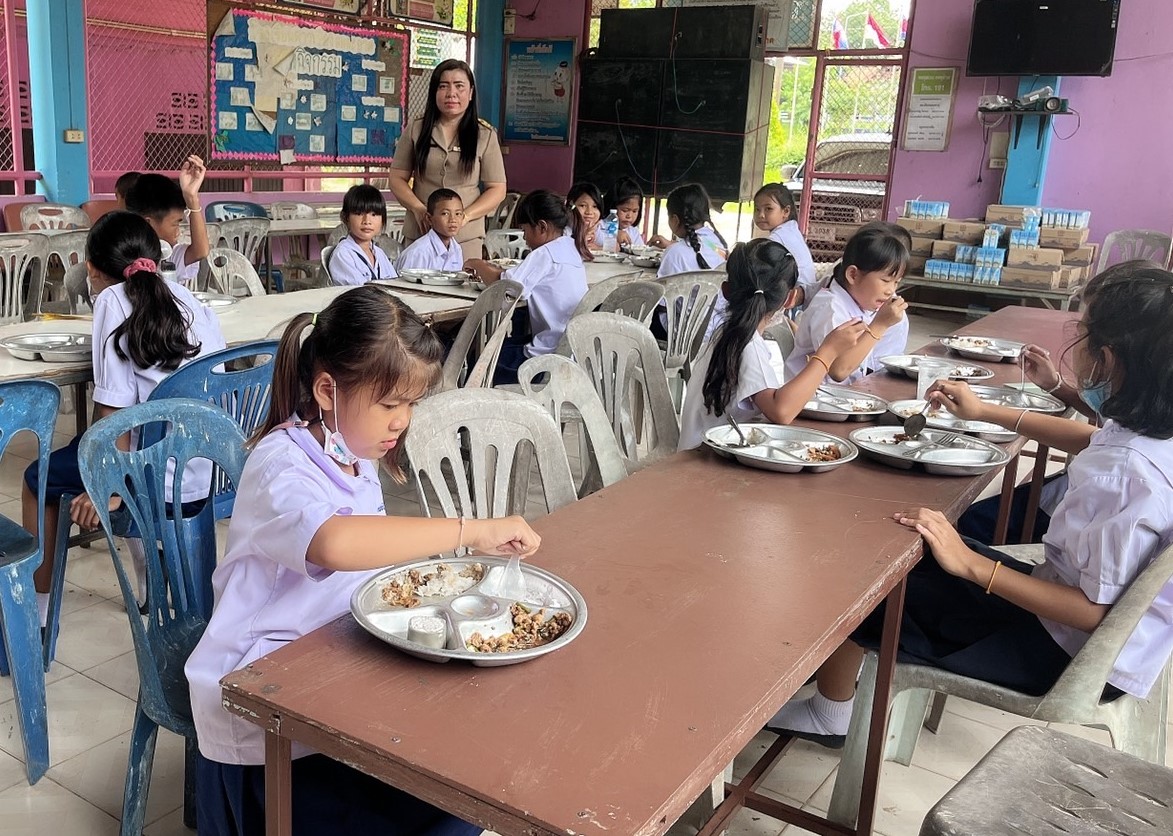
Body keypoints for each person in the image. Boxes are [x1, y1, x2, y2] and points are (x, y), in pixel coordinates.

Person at [766, 261, 1173, 748]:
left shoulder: (1126, 477)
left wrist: (973, 567)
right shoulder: (1149, 435)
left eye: (1081, 335)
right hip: (1093, 636)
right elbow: (1091, 437)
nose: (1076, 348)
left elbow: (1092, 611)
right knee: (910, 551)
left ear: (1107, 360)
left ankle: (831, 712)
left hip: (1064, 654)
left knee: (863, 584)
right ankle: (834, 680)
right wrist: (984, 411)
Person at [185, 285, 538, 834]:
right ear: (328, 389)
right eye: (391, 404)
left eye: (411, 404)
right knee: (445, 818)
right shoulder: (281, 464)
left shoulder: (353, 453)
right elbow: (335, 544)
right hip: (261, 705)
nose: (402, 421)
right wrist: (471, 532)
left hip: (332, 673)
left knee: (467, 791)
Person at [20, 211, 225, 625]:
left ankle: (37, 616)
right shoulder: (186, 297)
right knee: (90, 448)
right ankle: (161, 573)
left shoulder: (113, 301)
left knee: (35, 480)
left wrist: (111, 488)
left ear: (92, 270)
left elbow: (113, 414)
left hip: (150, 476)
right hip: (203, 469)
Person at [678, 240, 865, 449]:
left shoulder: (727, 334)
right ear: (790, 298)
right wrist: (828, 353)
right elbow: (781, 411)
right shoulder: (747, 345)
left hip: (702, 450)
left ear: (726, 291)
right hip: (708, 461)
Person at [464, 190, 589, 385]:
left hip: (544, 360)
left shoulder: (545, 254)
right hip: (570, 352)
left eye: (524, 231)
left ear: (541, 227)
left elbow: (506, 287)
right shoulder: (570, 248)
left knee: (479, 358)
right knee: (503, 344)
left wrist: (478, 264)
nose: (525, 238)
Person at [389, 59, 507, 260]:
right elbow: (396, 178)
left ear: (470, 94)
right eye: (443, 86)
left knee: (463, 289)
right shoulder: (417, 128)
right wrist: (418, 209)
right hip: (421, 231)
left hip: (465, 236)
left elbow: (497, 188)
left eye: (459, 86)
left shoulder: (485, 135)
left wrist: (465, 216)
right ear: (434, 92)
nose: (451, 93)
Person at [785, 225, 910, 384]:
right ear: (853, 275)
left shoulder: (861, 304)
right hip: (812, 400)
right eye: (885, 281)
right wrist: (879, 325)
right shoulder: (831, 308)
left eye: (896, 283)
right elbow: (838, 370)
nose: (890, 291)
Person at [649, 184, 730, 341]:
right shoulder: (717, 243)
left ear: (674, 219)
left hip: (684, 335)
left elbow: (661, 302)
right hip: (717, 327)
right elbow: (697, 251)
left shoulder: (674, 253)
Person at [124, 156, 210, 288]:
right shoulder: (120, 257)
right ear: (149, 223)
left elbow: (201, 251)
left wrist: (191, 197)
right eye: (175, 224)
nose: (178, 232)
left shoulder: (168, 257)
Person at [753, 183, 817, 305]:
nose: (761, 215)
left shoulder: (777, 238)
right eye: (757, 209)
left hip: (794, 299)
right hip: (806, 294)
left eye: (768, 209)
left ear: (786, 211)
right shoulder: (790, 229)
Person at [328, 184, 397, 285]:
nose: (367, 221)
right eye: (359, 213)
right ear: (346, 217)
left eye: (374, 214)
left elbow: (394, 284)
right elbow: (361, 293)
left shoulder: (379, 253)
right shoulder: (343, 255)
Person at [394, 187, 465, 273]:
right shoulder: (419, 253)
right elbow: (405, 285)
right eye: (445, 213)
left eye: (458, 214)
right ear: (429, 218)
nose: (453, 219)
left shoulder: (456, 249)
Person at [606, 176, 646, 249]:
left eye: (634, 211)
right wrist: (615, 235)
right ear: (613, 207)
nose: (629, 216)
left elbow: (641, 251)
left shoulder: (633, 232)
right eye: (625, 210)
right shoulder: (600, 227)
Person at [567, 182, 604, 252]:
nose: (589, 212)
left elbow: (615, 247)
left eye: (595, 206)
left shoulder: (597, 228)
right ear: (570, 207)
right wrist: (582, 242)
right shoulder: (565, 229)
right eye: (583, 205)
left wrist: (598, 248)